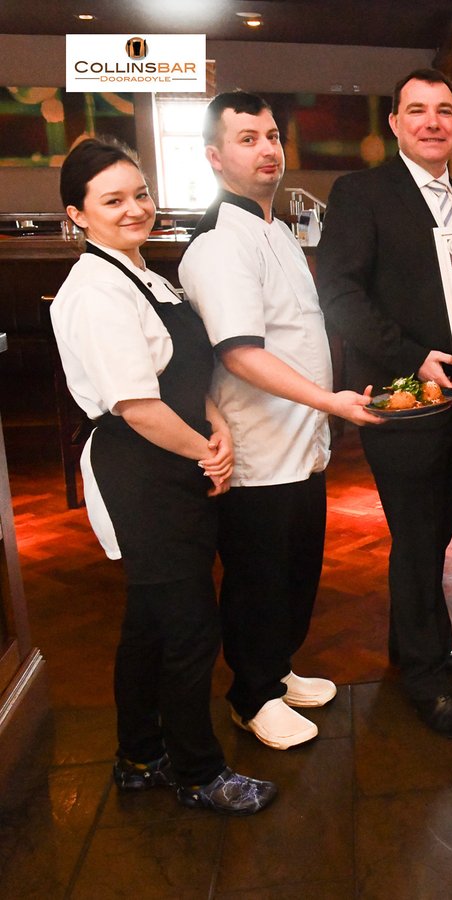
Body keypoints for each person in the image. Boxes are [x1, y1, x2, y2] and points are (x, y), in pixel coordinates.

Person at [51, 138, 275, 814]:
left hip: (175, 454)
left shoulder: (145, 273)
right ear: (77, 215)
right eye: (112, 200)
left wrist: (217, 424)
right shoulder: (92, 291)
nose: (134, 209)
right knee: (188, 629)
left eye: (139, 194)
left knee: (149, 622)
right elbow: (139, 407)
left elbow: (181, 374)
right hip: (142, 469)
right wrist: (208, 452)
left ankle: (139, 755)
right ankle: (198, 772)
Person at [179, 92, 382, 752]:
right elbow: (240, 354)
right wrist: (333, 402)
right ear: (214, 156)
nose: (266, 149)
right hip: (259, 448)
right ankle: (250, 695)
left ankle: (277, 670)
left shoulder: (278, 230)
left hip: (302, 443)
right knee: (258, 579)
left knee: (295, 572)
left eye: (271, 135)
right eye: (246, 139)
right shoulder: (218, 245)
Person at [317, 69, 452, 739]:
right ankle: (424, 677)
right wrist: (413, 358)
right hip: (404, 396)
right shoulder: (361, 193)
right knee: (417, 536)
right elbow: (339, 294)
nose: (432, 122)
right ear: (394, 123)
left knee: (433, 534)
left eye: (444, 111)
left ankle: (417, 643)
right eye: (417, 110)